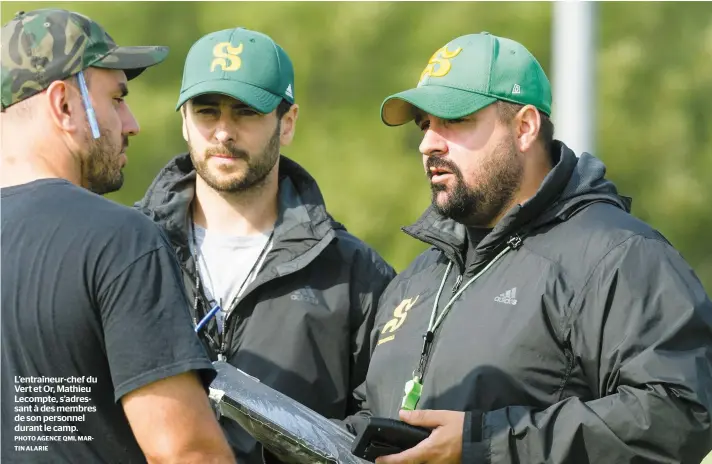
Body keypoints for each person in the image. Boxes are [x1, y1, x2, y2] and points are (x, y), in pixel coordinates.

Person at [343, 32, 712, 463]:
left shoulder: (620, 256)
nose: (428, 143)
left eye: (454, 119)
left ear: (524, 127)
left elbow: (680, 412)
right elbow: (371, 415)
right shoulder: (416, 279)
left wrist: (488, 444)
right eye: (425, 124)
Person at [133, 27, 396, 463]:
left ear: (287, 122)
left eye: (245, 112)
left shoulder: (354, 274)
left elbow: (382, 429)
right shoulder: (128, 252)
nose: (223, 132)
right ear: (183, 120)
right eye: (206, 111)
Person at [1, 9, 235, 464]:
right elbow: (187, 452)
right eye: (117, 99)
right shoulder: (118, 239)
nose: (131, 124)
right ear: (64, 105)